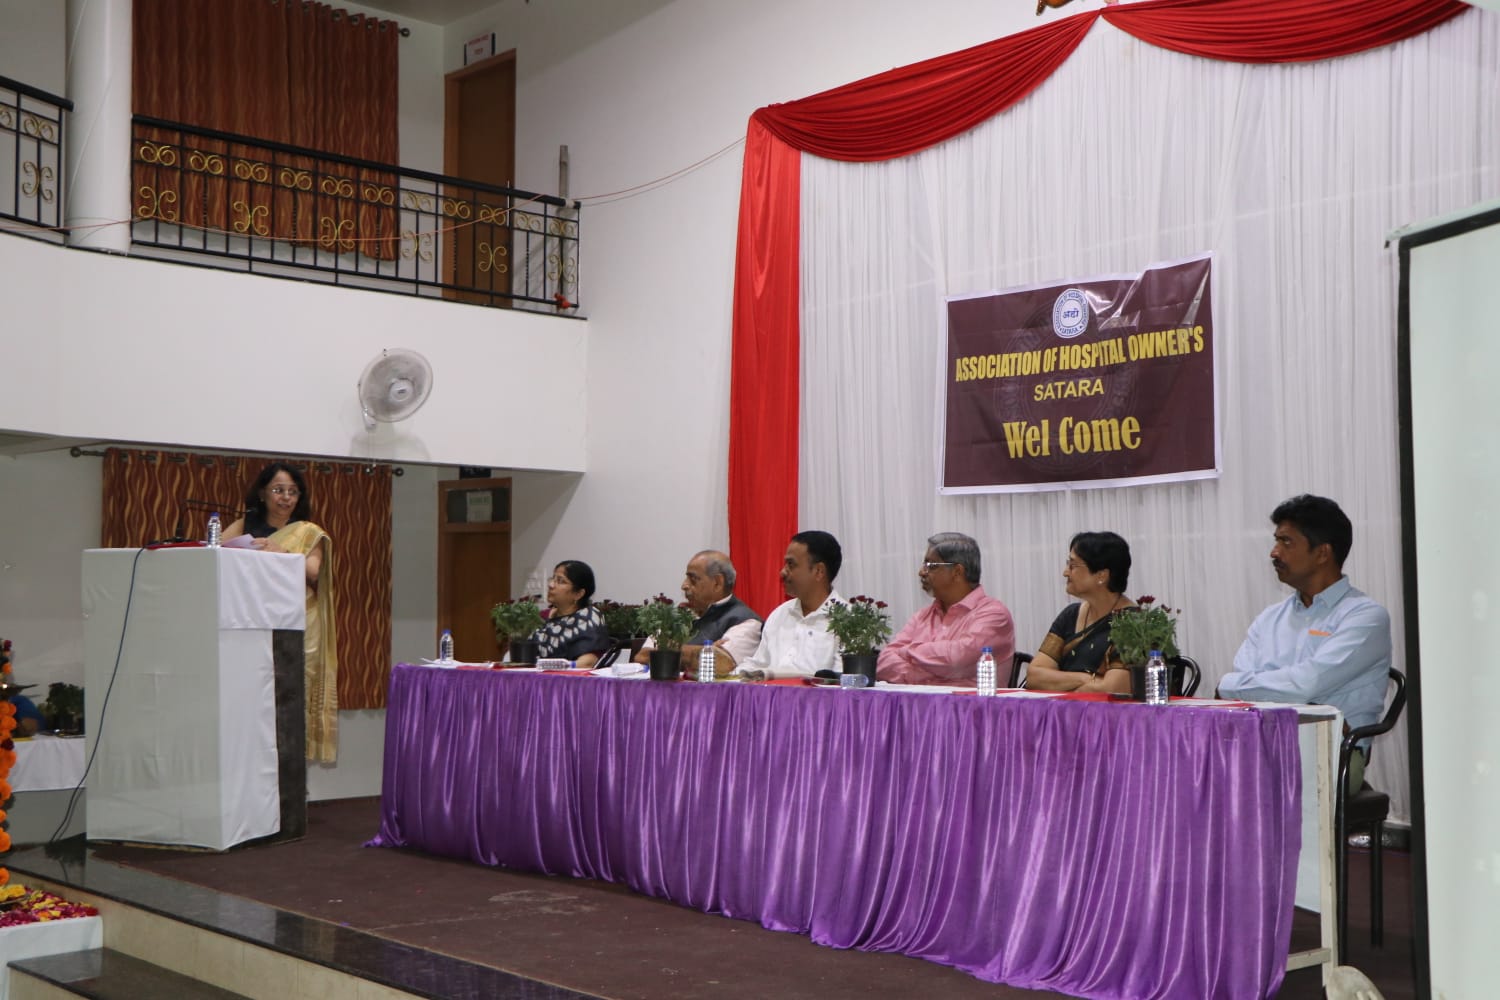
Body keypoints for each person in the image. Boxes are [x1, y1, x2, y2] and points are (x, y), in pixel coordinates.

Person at [1218, 495, 1391, 790]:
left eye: (1286, 542)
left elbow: (1306, 683)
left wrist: (1231, 684)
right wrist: (1241, 686)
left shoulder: (1365, 617)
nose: (1274, 552)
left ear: (1322, 553)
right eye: (1276, 541)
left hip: (1334, 754)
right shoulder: (1270, 618)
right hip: (1264, 743)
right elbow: (1241, 686)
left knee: (1235, 783)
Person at [221, 462, 339, 763]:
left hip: (295, 619)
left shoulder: (307, 532)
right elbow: (216, 553)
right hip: (251, 618)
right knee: (253, 695)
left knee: (289, 693)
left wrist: (282, 552)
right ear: (262, 493)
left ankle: (288, 764)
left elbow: (313, 571)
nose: (286, 497)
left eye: (292, 492)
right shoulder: (244, 525)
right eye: (278, 490)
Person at [877, 532, 1015, 686]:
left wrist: (906, 651)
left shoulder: (994, 615)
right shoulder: (922, 616)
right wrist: (924, 676)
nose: (922, 572)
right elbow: (883, 662)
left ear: (957, 572)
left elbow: (956, 661)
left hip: (969, 702)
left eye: (931, 565)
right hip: (921, 702)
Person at [1025, 531, 1136, 694]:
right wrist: (1085, 679)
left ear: (1102, 575)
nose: (1065, 572)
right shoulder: (1070, 615)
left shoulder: (1133, 624)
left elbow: (1112, 689)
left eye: (1073, 566)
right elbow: (1034, 676)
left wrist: (1059, 683)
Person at [632, 550, 763, 676]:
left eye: (693, 579)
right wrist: (705, 650)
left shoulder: (746, 621)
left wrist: (664, 647)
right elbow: (641, 656)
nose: (684, 585)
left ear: (717, 583)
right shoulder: (679, 616)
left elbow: (720, 664)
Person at [735, 530, 844, 680]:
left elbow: (842, 682)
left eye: (791, 565)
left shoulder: (849, 622)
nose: (782, 572)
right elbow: (757, 665)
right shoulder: (780, 614)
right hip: (771, 695)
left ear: (819, 571)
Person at [533, 560, 610, 667]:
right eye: (553, 579)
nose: (551, 585)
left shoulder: (588, 617)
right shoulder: (542, 616)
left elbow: (587, 663)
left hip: (567, 676)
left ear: (578, 594)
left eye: (561, 581)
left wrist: (552, 667)